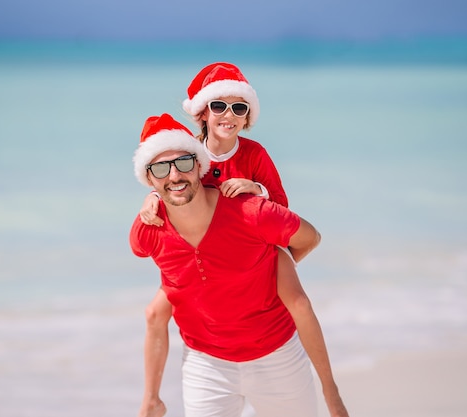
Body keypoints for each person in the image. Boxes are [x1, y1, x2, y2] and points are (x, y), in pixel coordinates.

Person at [136, 63, 348, 417]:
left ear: (248, 115)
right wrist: (150, 198)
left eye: (239, 107)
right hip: (203, 249)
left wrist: (256, 189)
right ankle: (151, 399)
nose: (228, 115)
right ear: (203, 112)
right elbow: (174, 187)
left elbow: (282, 207)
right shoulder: (189, 156)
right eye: (219, 106)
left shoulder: (253, 154)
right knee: (156, 310)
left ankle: (330, 391)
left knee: (296, 300)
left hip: (256, 242)